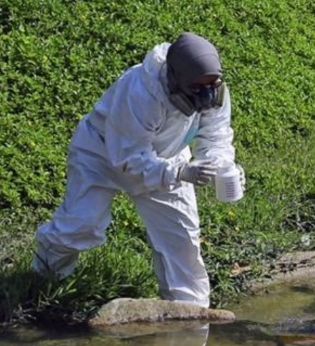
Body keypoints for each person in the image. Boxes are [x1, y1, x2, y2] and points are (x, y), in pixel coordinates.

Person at [32, 32, 244, 307]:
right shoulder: (139, 92)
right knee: (81, 224)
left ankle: (189, 314)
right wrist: (179, 173)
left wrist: (222, 165)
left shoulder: (213, 89)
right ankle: (43, 285)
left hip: (169, 157)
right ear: (175, 78)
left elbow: (216, 134)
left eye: (212, 85)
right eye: (196, 88)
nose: (206, 95)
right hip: (101, 154)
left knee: (182, 242)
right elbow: (128, 157)